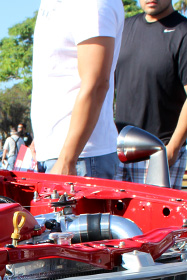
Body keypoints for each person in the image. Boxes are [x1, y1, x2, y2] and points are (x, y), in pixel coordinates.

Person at [115, 0, 187, 187]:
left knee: (149, 208)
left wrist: (173, 147)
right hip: (118, 148)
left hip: (157, 150)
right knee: (112, 207)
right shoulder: (124, 28)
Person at [31, 0, 124, 179]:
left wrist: (67, 159)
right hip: (56, 155)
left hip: (81, 158)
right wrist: (42, 139)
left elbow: (96, 84)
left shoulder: (92, 4)